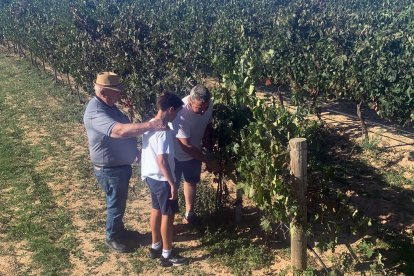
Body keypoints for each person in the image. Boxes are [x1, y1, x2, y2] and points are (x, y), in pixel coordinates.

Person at [83, 72, 163, 253]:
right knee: (115, 202)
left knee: (119, 201)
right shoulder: (96, 112)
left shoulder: (108, 105)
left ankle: (119, 230)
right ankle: (112, 237)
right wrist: (151, 125)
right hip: (109, 169)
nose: (120, 94)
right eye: (117, 91)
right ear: (104, 92)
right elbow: (119, 131)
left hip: (119, 166)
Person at [141, 92, 186, 267]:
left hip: (150, 176)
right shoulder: (164, 131)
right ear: (171, 110)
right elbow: (162, 160)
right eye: (177, 113)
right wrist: (172, 183)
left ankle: (155, 246)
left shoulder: (150, 124)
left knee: (156, 209)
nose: (177, 116)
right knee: (169, 214)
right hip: (161, 178)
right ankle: (167, 254)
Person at [170, 84, 219, 226]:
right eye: (199, 108)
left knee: (191, 182)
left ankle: (189, 214)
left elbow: (208, 125)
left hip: (194, 151)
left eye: (205, 107)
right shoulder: (180, 113)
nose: (203, 111)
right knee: (171, 186)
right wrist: (208, 160)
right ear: (190, 101)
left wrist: (208, 149)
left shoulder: (208, 105)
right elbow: (185, 146)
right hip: (175, 154)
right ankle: (169, 220)